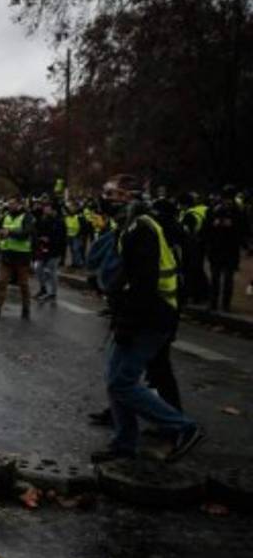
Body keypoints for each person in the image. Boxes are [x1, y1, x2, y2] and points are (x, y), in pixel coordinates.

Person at [91, 180, 202, 463]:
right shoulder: (128, 226)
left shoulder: (141, 228)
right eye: (106, 193)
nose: (106, 199)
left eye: (113, 194)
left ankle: (182, 427)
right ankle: (124, 443)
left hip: (151, 316)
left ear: (131, 197)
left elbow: (143, 283)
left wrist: (128, 323)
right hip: (141, 314)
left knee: (122, 382)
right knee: (115, 379)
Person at [200, 186, 249, 313]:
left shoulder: (222, 210)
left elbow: (243, 230)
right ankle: (219, 304)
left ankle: (218, 304)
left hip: (222, 248)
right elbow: (244, 230)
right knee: (221, 277)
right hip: (226, 248)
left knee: (223, 277)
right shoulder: (236, 211)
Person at [0, 199, 34, 319]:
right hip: (7, 255)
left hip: (22, 255)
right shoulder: (6, 215)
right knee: (2, 282)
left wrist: (10, 232)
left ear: (19, 205)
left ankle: (26, 308)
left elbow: (26, 233)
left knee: (23, 284)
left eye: (13, 203)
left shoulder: (27, 216)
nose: (10, 205)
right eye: (9, 203)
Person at [34, 200, 66, 302]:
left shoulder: (60, 221)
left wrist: (50, 240)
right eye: (44, 207)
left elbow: (61, 237)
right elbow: (38, 229)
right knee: (38, 268)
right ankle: (43, 288)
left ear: (53, 209)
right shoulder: (44, 219)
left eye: (47, 207)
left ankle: (52, 293)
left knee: (51, 271)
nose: (44, 209)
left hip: (55, 250)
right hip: (44, 248)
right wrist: (40, 238)